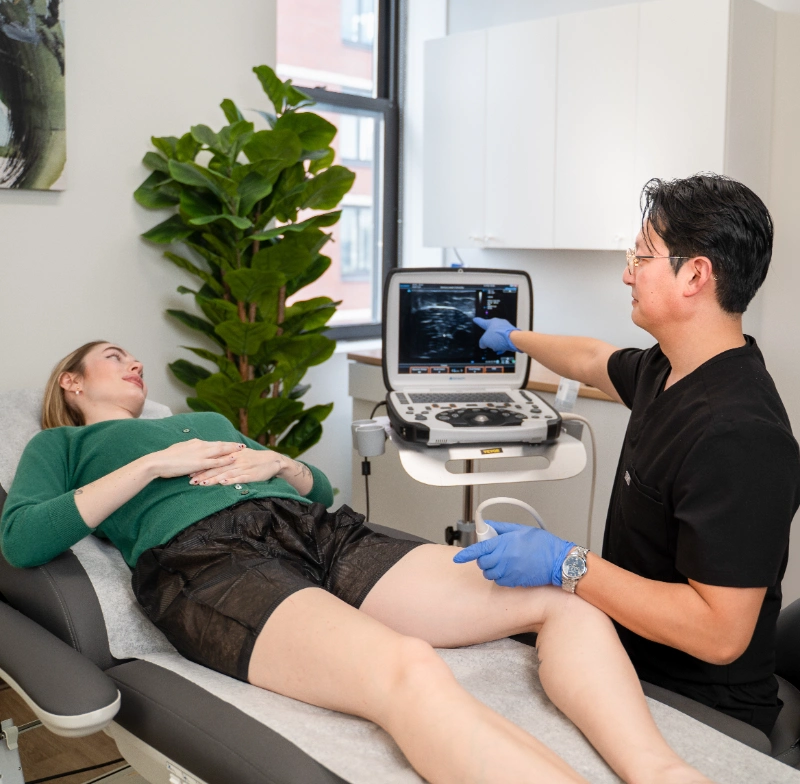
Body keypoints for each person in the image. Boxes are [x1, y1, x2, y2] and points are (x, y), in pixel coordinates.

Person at [0, 343, 714, 784]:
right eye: (113, 357)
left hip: (319, 530)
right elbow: (23, 539)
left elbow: (324, 487)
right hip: (207, 562)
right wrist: (159, 463)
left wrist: (282, 462)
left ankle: (662, 771)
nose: (134, 363)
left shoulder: (206, 420)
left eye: (134, 358)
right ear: (72, 382)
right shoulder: (62, 450)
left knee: (559, 595)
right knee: (409, 669)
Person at [461, 174, 800, 738]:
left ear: (695, 274)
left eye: (642, 255)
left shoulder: (740, 435)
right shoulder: (667, 368)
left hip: (701, 708)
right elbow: (592, 359)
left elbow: (721, 634)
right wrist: (514, 337)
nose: (627, 273)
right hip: (629, 653)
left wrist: (566, 563)